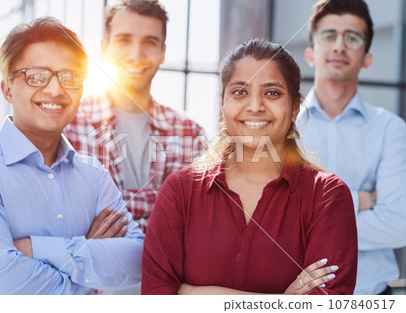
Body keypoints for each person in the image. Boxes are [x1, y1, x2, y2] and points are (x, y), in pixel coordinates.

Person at [141, 38, 358, 295]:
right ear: (223, 106)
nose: (255, 106)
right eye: (240, 92)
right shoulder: (180, 192)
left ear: (295, 107)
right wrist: (281, 302)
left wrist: (191, 293)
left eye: (272, 93)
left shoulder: (327, 195)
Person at [0, 17, 144, 295]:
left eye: (69, 77)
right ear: (7, 88)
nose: (55, 90)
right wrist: (87, 252)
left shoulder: (95, 176)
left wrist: (36, 248)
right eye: (36, 76)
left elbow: (137, 259)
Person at [64, 0, 206, 233]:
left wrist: (108, 206)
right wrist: (161, 202)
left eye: (150, 43)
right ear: (104, 47)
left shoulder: (190, 134)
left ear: (163, 53)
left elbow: (192, 219)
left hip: (165, 270)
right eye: (124, 40)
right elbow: (66, 213)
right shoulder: (69, 125)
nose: (136, 54)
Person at [299, 0, 406, 294]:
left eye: (353, 37)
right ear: (311, 53)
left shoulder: (391, 130)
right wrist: (363, 200)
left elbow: (399, 223)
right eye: (328, 36)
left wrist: (308, 221)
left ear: (367, 58)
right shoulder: (286, 130)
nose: (339, 46)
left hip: (372, 297)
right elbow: (270, 225)